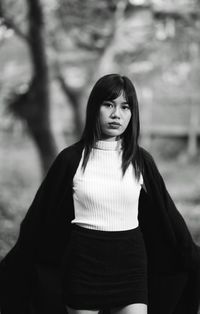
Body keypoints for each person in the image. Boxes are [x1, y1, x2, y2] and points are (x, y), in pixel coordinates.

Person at [0, 74, 200, 314]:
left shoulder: (140, 160)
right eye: (109, 104)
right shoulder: (70, 159)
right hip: (84, 263)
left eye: (125, 107)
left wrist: (192, 256)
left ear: (132, 113)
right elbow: (39, 218)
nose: (117, 114)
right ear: (94, 107)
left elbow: (167, 215)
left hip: (130, 264)